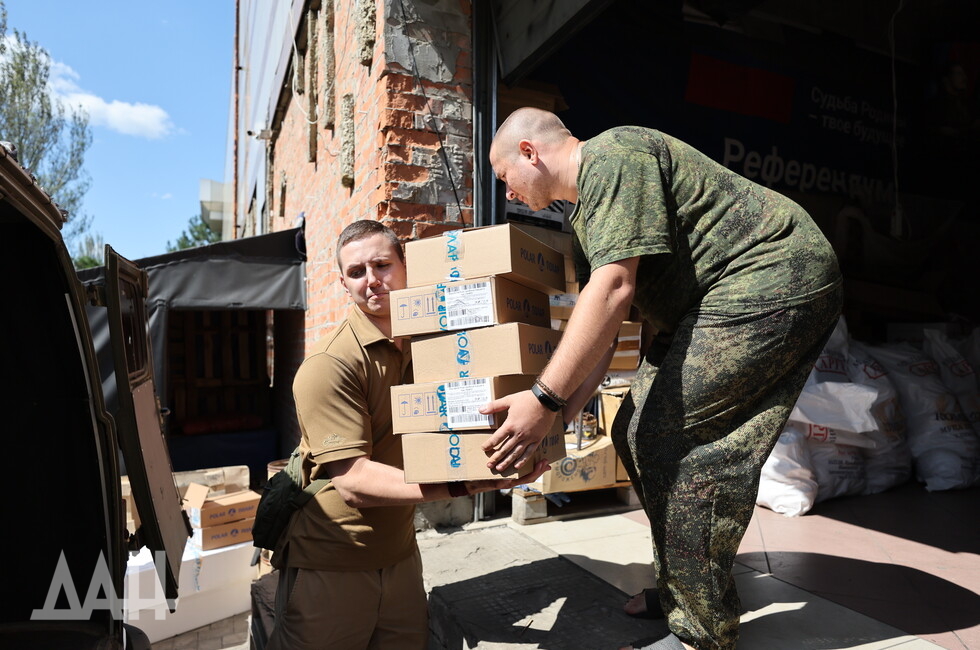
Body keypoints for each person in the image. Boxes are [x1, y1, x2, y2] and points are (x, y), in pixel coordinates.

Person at [482, 108, 842, 650]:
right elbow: (604, 332)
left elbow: (613, 290)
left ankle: (700, 633)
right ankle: (685, 590)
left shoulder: (613, 156)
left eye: (504, 176)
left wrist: (543, 398)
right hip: (711, 303)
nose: (507, 192)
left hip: (773, 274)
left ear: (530, 153)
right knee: (631, 430)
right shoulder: (586, 218)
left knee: (672, 439)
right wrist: (556, 421)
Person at [266, 220, 549, 650]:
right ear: (342, 283)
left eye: (381, 265)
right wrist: (466, 484)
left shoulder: (435, 344)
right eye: (356, 272)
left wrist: (514, 447)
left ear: (406, 266)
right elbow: (353, 481)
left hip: (400, 557)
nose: (371, 280)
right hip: (331, 562)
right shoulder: (329, 364)